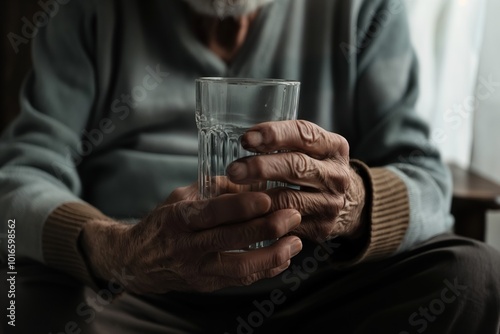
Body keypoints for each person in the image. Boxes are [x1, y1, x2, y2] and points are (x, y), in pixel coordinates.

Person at [1, 0, 499, 333]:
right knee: (15, 295)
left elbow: (427, 180)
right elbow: (19, 178)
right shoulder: (89, 10)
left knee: (472, 275)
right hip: (138, 293)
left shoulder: (361, 8)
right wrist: (115, 249)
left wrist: (356, 202)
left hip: (314, 296)